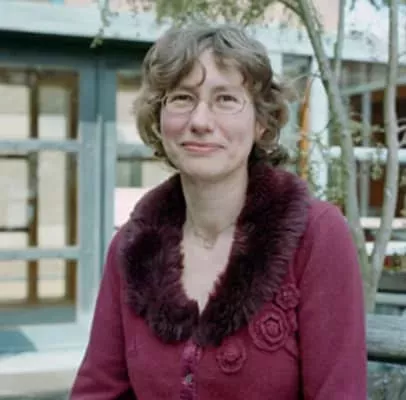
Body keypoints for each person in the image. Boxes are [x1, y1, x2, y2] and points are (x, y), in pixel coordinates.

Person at [70, 24, 367, 399]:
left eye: (225, 99)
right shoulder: (131, 248)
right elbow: (96, 392)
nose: (200, 121)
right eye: (182, 98)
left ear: (261, 123)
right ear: (159, 120)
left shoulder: (317, 236)